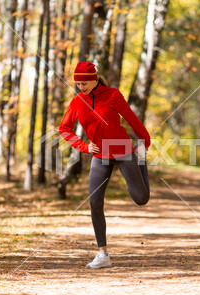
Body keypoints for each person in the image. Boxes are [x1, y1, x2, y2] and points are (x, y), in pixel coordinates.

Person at [59, 61, 151, 269]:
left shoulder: (113, 95)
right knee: (94, 202)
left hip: (123, 150)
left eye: (83, 83)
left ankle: (142, 161)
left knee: (141, 199)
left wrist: (144, 141)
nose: (80, 87)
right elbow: (64, 128)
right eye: (78, 84)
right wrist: (83, 146)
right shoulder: (77, 101)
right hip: (99, 155)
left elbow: (131, 118)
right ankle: (103, 254)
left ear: (93, 79)